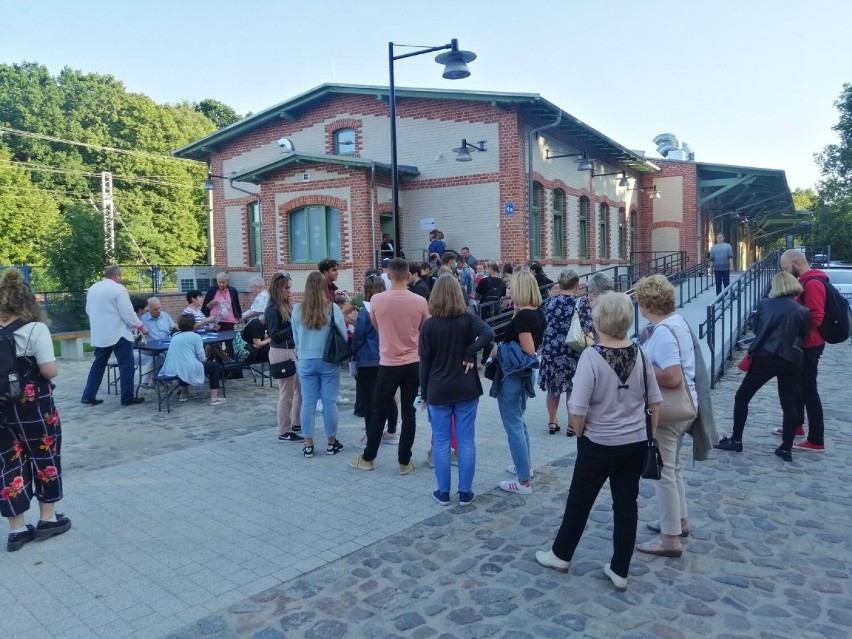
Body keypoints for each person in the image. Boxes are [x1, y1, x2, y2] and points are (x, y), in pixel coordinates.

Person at [535, 292, 661, 592]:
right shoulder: (640, 354)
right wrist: (649, 437)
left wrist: (580, 432)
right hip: (634, 442)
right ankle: (620, 568)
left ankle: (561, 554)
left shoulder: (592, 357)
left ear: (599, 321)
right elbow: (655, 402)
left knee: (580, 501)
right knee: (626, 504)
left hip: (599, 442)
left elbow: (577, 409)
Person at [0, 268, 71, 552]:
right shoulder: (35, 329)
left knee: (7, 465)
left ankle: (16, 530)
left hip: (2, 408)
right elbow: (48, 371)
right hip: (34, 408)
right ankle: (47, 518)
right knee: (45, 456)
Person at [633, 274, 697, 558]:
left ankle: (669, 538)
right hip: (683, 407)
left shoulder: (662, 332)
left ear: (647, 304)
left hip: (669, 411)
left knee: (664, 472)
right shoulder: (677, 322)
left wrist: (642, 366)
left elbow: (671, 376)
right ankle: (678, 521)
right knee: (673, 468)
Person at [714, 272, 810, 462]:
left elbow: (758, 329)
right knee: (788, 403)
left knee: (743, 396)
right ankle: (786, 448)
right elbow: (803, 336)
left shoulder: (765, 304)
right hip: (792, 359)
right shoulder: (802, 311)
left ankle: (737, 440)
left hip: (766, 356)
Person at [419, 275, 494, 506]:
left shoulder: (430, 325)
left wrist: (424, 393)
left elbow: (425, 362)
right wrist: (469, 351)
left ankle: (443, 492)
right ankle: (465, 492)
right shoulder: (467, 319)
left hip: (439, 389)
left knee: (441, 442)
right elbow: (489, 334)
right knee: (466, 440)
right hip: (466, 387)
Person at [350, 258, 429, 473]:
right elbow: (425, 329)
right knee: (409, 414)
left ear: (390, 276)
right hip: (412, 362)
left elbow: (377, 326)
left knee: (378, 410)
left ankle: (369, 457)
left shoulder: (377, 300)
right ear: (408, 275)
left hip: (387, 363)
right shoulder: (420, 301)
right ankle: (404, 462)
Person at [492, 270, 546, 495]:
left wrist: (499, 349)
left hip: (514, 376)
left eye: (512, 287)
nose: (509, 291)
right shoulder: (536, 313)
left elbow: (529, 351)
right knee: (519, 422)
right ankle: (524, 466)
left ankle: (523, 481)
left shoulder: (524, 317)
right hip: (521, 376)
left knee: (513, 424)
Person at [291, 271, 347, 458]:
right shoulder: (332, 308)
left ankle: (308, 444)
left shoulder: (298, 309)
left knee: (308, 403)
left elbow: (295, 338)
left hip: (306, 359)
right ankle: (331, 442)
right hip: (328, 359)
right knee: (330, 403)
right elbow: (343, 335)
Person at [778, 250, 828, 452]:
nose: (785, 272)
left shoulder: (813, 284)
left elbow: (816, 318)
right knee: (797, 386)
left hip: (810, 345)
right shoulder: (807, 282)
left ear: (796, 262)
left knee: (808, 390)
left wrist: (792, 326)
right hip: (803, 344)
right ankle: (796, 425)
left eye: (785, 268)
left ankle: (816, 439)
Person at [81, 265, 148, 407]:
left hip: (100, 333)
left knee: (98, 364)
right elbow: (128, 313)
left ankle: (88, 395)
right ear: (117, 276)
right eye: (121, 276)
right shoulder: (119, 289)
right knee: (127, 365)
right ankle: (127, 397)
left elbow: (88, 310)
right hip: (119, 333)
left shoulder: (93, 288)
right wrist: (140, 326)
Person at [538, 269, 594, 436]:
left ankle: (552, 422)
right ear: (576, 284)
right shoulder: (580, 303)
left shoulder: (549, 302)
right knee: (572, 389)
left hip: (551, 351)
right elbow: (588, 327)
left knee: (553, 389)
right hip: (572, 351)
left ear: (560, 284)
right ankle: (571, 426)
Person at [352, 275, 399, 444]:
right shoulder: (390, 309)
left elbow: (358, 336)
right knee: (389, 396)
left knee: (369, 399)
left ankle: (371, 435)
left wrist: (353, 350)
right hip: (387, 358)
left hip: (368, 360)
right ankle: (392, 432)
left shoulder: (366, 310)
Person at [265, 273, 303, 442]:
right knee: (286, 393)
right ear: (278, 288)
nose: (289, 291)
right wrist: (294, 325)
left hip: (290, 350)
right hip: (281, 351)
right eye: (286, 288)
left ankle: (295, 422)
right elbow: (275, 335)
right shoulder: (273, 308)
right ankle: (284, 430)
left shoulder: (284, 306)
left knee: (299, 389)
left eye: (289, 287)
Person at [159, 314, 225, 406]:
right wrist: (205, 361)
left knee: (183, 364)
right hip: (187, 367)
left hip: (173, 368)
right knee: (214, 366)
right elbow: (201, 357)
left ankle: (184, 393)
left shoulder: (175, 336)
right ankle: (214, 397)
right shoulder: (195, 337)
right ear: (193, 325)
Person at [139, 296, 176, 386]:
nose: (159, 310)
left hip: (166, 344)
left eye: (159, 308)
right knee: (161, 356)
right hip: (150, 348)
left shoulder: (165, 315)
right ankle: (150, 380)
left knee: (177, 354)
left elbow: (174, 327)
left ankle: (175, 379)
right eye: (155, 309)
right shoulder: (143, 319)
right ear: (149, 309)